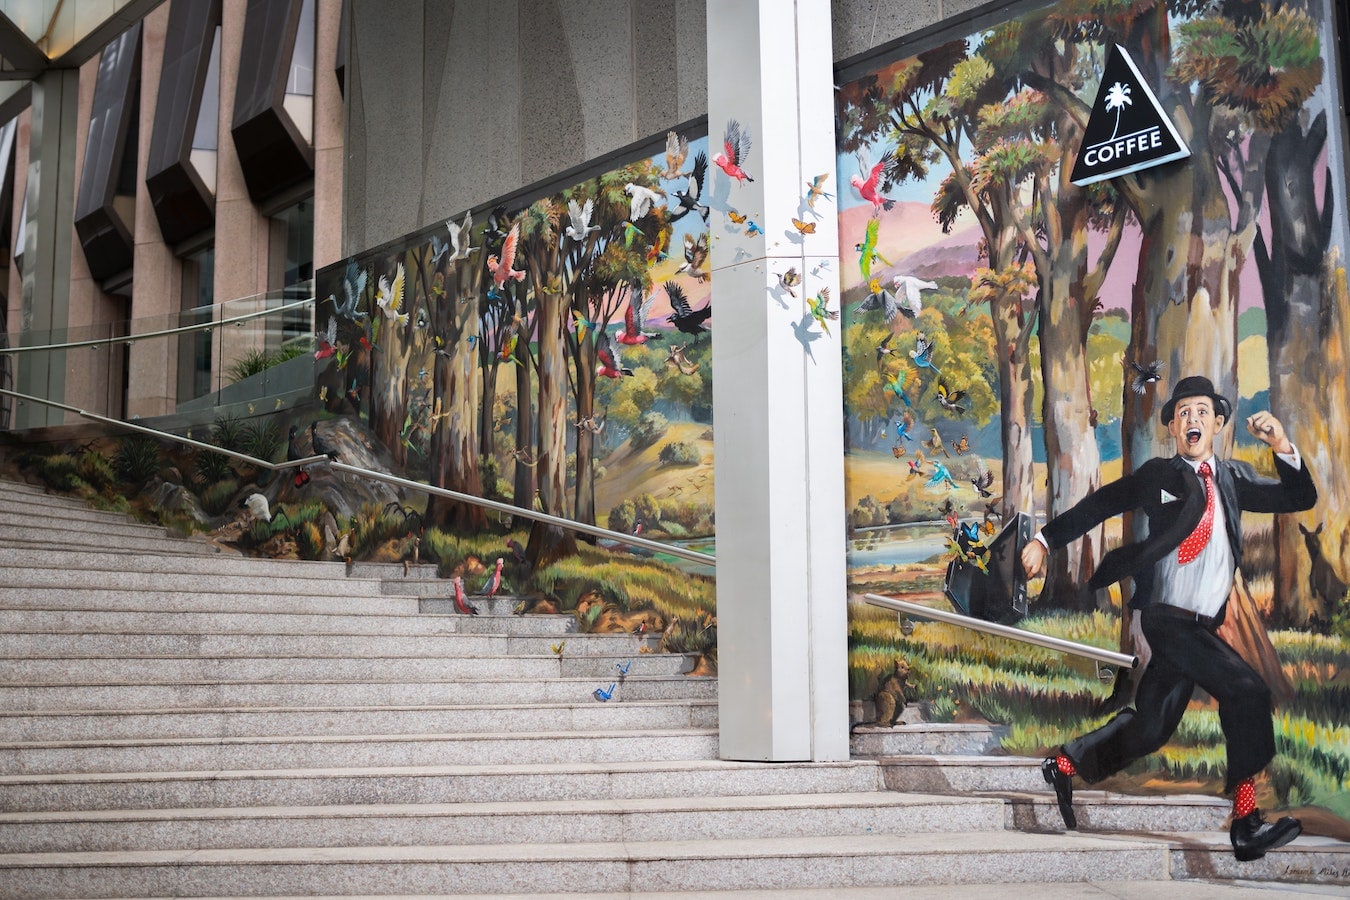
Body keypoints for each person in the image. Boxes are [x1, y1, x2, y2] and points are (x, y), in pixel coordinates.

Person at [1020, 375, 1316, 861]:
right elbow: (1101, 504)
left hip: (1203, 626)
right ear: (1173, 431)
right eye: (1182, 414)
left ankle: (1066, 762)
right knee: (1247, 691)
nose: (1192, 420)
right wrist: (1044, 542)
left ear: (1219, 424)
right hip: (1167, 619)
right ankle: (1245, 822)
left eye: (1202, 412)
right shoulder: (1161, 475)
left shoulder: (1234, 480)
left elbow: (1299, 499)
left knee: (1152, 728)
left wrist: (1281, 444)